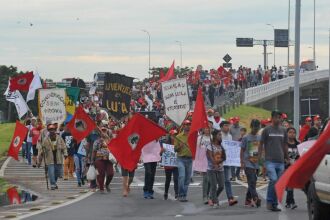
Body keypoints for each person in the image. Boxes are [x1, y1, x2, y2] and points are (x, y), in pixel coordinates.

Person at [258, 110, 289, 212]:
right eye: (276, 117)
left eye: (280, 117)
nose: (278, 119)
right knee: (274, 180)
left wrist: (287, 157)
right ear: (272, 118)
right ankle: (269, 201)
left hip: (280, 161)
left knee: (278, 183)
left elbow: (285, 145)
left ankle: (274, 204)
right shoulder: (266, 130)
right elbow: (261, 143)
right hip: (269, 160)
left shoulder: (284, 130)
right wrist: (260, 157)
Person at [39, 123, 68, 190]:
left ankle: (54, 182)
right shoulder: (45, 139)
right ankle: (52, 184)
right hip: (50, 159)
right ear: (48, 131)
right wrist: (41, 154)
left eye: (53, 129)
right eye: (50, 130)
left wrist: (65, 153)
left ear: (55, 130)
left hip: (58, 158)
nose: (52, 131)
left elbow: (64, 147)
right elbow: (42, 149)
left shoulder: (59, 138)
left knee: (57, 173)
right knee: (51, 172)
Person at [240, 119, 262, 208]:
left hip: (256, 163)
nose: (256, 129)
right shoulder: (246, 138)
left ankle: (247, 200)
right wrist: (241, 162)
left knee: (253, 182)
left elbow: (261, 150)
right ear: (251, 127)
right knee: (252, 180)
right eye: (254, 127)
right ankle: (255, 198)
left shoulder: (260, 137)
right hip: (248, 163)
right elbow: (242, 150)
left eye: (257, 127)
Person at [174, 120, 193, 202]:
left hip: (190, 159)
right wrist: (180, 146)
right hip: (181, 158)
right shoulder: (178, 137)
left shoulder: (193, 135)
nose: (188, 126)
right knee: (182, 176)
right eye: (186, 125)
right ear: (183, 126)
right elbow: (175, 149)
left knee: (187, 179)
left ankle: (184, 195)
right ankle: (180, 194)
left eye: (189, 124)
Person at [220, 121, 238, 206]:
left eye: (228, 126)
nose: (227, 127)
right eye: (226, 125)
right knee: (216, 182)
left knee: (227, 180)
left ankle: (230, 197)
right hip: (218, 161)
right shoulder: (218, 135)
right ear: (221, 127)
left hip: (227, 162)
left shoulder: (230, 136)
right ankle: (211, 197)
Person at [206, 129, 226, 208]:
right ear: (214, 136)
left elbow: (224, 157)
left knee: (221, 186)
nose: (220, 136)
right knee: (213, 185)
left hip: (220, 168)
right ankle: (215, 201)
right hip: (211, 169)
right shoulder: (209, 146)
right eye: (219, 135)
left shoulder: (221, 146)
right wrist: (215, 164)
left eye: (221, 135)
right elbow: (210, 157)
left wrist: (219, 162)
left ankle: (212, 197)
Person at [193, 125, 212, 204]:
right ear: (203, 129)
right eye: (205, 128)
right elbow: (197, 151)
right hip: (203, 160)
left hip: (211, 160)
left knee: (211, 180)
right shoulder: (200, 138)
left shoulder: (212, 137)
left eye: (208, 128)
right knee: (206, 179)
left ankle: (209, 195)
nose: (207, 130)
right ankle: (205, 196)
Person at [92, 127, 114, 194]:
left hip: (109, 159)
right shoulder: (97, 141)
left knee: (111, 173)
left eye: (105, 131)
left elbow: (115, 149)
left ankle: (107, 184)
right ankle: (101, 188)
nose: (103, 132)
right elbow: (94, 151)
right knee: (101, 174)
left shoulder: (111, 140)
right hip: (99, 159)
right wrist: (93, 160)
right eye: (102, 131)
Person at [285, 127, 299, 209]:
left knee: (290, 185)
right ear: (287, 134)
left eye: (293, 132)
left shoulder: (298, 144)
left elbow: (300, 155)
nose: (292, 134)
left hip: (294, 167)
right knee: (289, 186)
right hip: (285, 167)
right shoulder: (284, 144)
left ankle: (290, 202)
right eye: (290, 132)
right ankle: (290, 202)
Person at [163, 129, 179, 200]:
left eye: (175, 135)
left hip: (175, 164)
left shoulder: (178, 143)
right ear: (170, 136)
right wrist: (162, 151)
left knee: (176, 179)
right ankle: (166, 192)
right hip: (168, 165)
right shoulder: (166, 145)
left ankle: (176, 193)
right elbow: (160, 153)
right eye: (173, 135)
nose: (174, 137)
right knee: (168, 179)